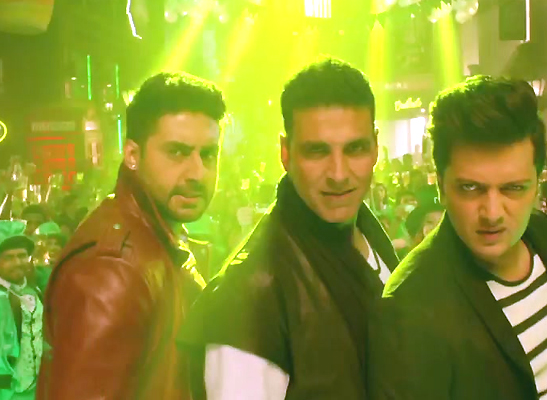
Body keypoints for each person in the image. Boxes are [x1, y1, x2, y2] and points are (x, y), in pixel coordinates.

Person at [369, 76, 547, 400]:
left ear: (537, 184)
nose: (492, 213)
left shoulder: (541, 232)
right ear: (441, 186)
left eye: (513, 188)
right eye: (470, 188)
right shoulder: (410, 306)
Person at [178, 58, 399, 399]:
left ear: (375, 147)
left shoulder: (368, 234)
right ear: (286, 153)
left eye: (355, 149)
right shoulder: (248, 299)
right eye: (317, 151)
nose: (339, 173)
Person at [36, 71, 226, 400]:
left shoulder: (157, 238)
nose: (197, 172)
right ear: (133, 155)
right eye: (177, 152)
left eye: (208, 154)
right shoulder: (112, 269)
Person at [0, 220, 44, 400]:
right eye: (9, 258)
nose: (17, 262)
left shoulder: (34, 291)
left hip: (35, 389)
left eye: (22, 256)